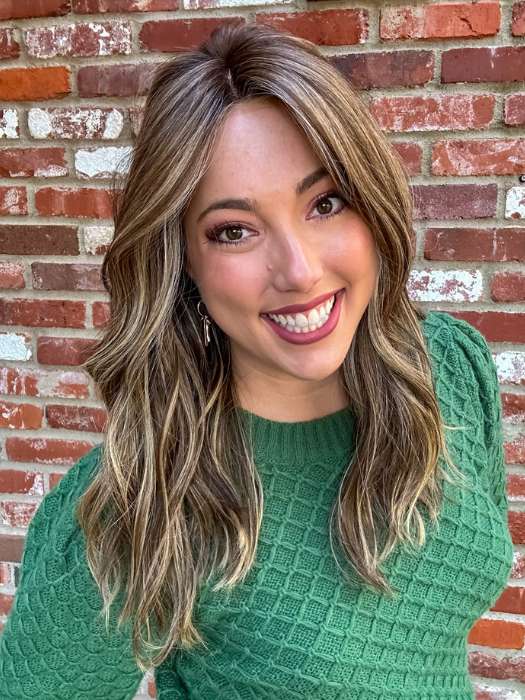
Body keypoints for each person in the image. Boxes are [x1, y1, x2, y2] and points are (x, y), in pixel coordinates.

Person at [0, 22, 513, 700]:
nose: (299, 271)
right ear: (183, 260)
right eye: (234, 230)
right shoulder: (147, 499)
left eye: (325, 202)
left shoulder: (448, 367)